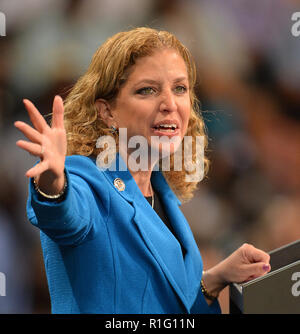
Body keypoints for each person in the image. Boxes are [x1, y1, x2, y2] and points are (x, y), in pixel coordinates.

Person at [15, 27, 271, 314]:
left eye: (180, 88)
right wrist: (53, 177)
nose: (170, 104)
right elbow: (64, 215)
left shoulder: (162, 194)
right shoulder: (88, 179)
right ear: (107, 111)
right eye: (147, 90)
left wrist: (212, 281)